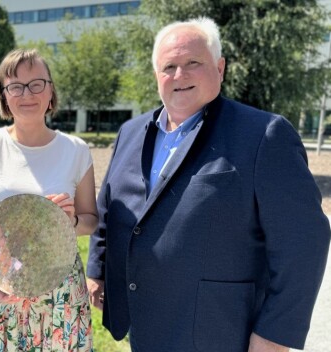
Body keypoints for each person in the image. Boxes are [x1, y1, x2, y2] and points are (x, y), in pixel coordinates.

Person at [87, 17, 330, 352]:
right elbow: (109, 208)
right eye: (169, 66)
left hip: (219, 331)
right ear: (156, 75)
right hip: (143, 323)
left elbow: (304, 241)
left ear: (220, 68)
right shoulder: (131, 132)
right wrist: (97, 271)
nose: (179, 75)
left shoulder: (263, 135)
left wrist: (275, 334)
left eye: (193, 63)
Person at [0, 48, 98, 351]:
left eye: (37, 83)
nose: (27, 94)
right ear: (4, 96)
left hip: (58, 288)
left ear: (51, 91)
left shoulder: (76, 150)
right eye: (16, 86)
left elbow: (91, 219)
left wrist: (69, 221)